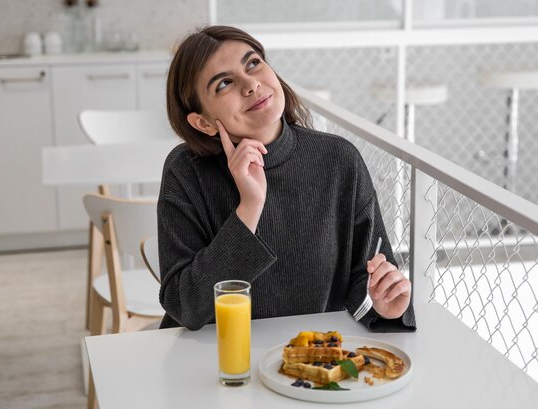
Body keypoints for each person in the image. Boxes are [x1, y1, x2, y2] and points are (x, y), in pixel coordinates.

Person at [158, 25, 415, 332]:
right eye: (224, 83)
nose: (251, 84)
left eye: (253, 63)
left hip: (306, 365)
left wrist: (386, 307)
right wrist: (249, 209)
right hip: (213, 366)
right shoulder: (185, 172)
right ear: (203, 122)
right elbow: (185, 306)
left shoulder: (338, 160)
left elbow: (370, 276)